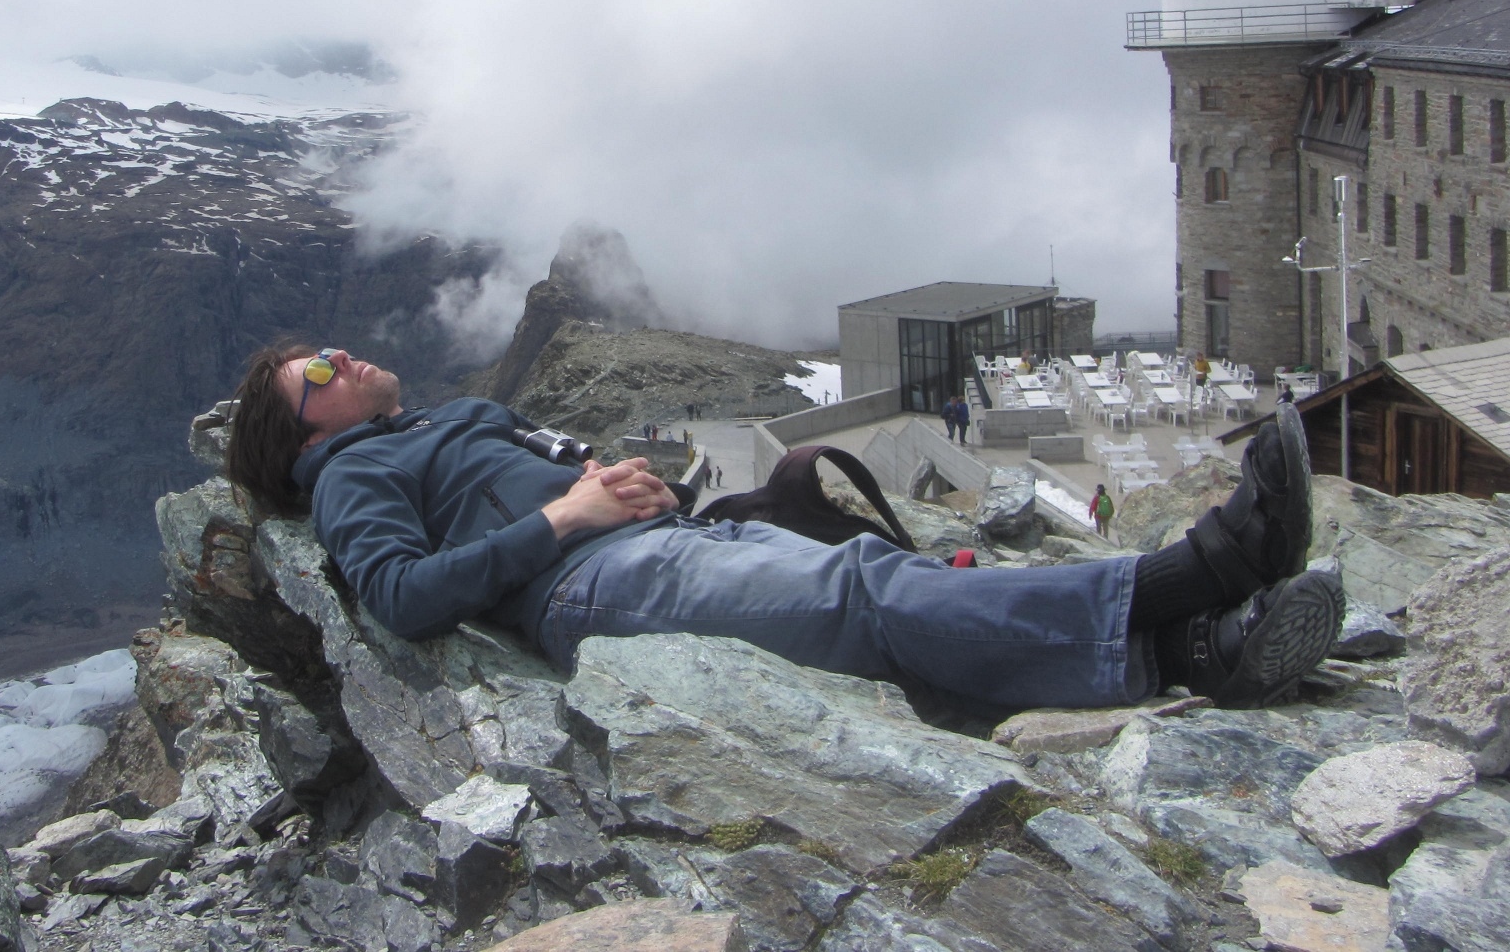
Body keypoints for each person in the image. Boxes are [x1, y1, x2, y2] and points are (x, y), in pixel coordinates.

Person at [224, 343, 1343, 715]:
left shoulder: (442, 419)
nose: (344, 356)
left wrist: (619, 485)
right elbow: (402, 598)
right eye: (316, 369)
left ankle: (1199, 656)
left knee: (861, 592)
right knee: (853, 598)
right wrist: (565, 517)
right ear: (299, 427)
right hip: (590, 593)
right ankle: (1200, 572)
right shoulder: (348, 473)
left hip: (657, 548)